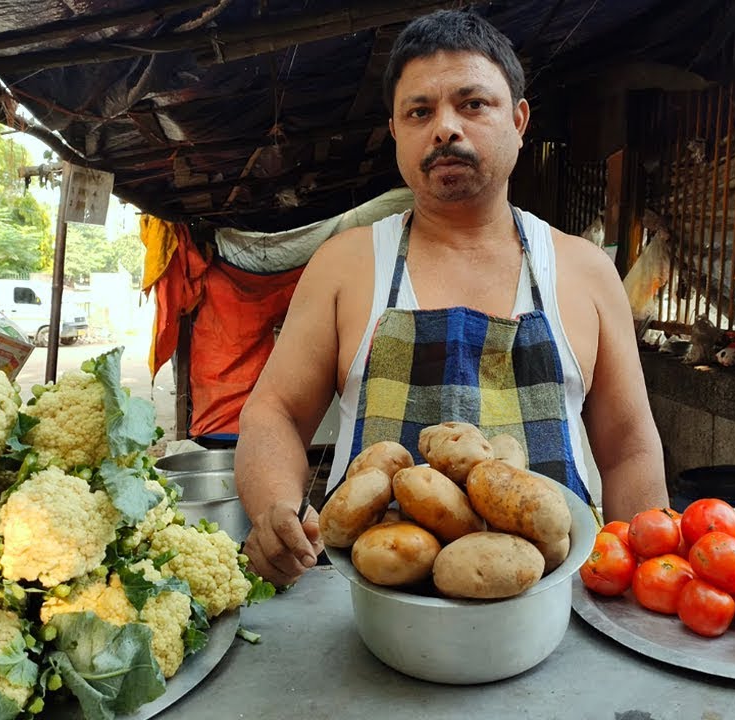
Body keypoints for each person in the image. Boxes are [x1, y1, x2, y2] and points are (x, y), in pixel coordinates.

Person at [236, 10, 668, 587]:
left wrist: (653, 582)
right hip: (372, 597)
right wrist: (275, 507)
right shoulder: (346, 263)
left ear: (518, 120)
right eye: (420, 111)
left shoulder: (584, 270)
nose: (444, 128)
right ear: (395, 131)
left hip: (558, 600)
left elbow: (629, 450)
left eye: (472, 104)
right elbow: (276, 413)